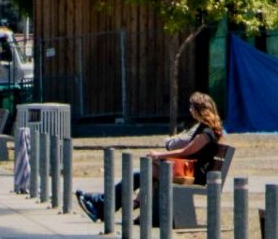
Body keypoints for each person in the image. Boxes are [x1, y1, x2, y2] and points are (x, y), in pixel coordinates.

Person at [76, 92, 226, 224]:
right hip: (189, 171)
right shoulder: (203, 128)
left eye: (192, 107)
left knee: (139, 173)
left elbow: (186, 152)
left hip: (193, 175)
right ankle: (103, 204)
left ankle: (103, 204)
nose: (190, 110)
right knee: (142, 172)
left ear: (199, 110)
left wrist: (159, 155)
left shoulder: (206, 133)